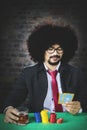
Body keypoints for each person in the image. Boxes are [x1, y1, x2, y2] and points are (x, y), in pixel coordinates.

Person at [3, 24, 87, 124]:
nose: (55, 53)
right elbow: (14, 97)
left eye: (59, 49)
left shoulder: (76, 73)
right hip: (40, 122)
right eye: (50, 49)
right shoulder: (28, 73)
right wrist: (8, 109)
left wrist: (80, 106)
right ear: (42, 50)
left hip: (69, 121)